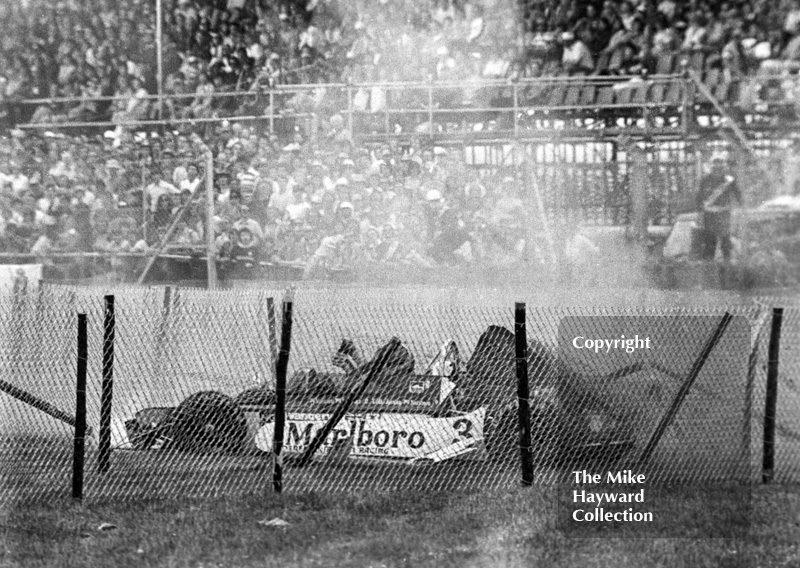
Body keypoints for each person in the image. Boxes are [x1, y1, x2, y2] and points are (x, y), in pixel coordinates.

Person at [695, 153, 742, 262]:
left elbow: (738, 195)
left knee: (726, 242)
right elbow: (699, 196)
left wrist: (741, 207)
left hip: (724, 213)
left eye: (719, 166)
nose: (717, 169)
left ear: (723, 168)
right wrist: (698, 212)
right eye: (715, 166)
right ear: (711, 167)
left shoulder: (729, 181)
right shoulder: (705, 180)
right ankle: (708, 267)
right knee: (709, 242)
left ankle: (727, 267)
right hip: (709, 215)